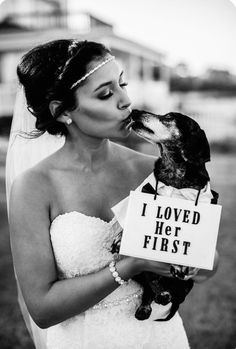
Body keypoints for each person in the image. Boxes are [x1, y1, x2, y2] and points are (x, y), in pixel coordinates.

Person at [6, 39, 219, 349]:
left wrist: (196, 256)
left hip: (161, 338)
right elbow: (42, 309)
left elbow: (206, 265)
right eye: (106, 94)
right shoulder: (34, 186)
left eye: (122, 84)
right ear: (63, 111)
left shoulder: (155, 170)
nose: (126, 101)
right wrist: (128, 266)